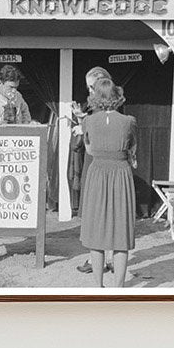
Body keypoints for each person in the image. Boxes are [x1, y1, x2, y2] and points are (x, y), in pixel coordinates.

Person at [79, 77, 137, 288]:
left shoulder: (88, 121)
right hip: (121, 174)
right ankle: (119, 287)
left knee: (96, 230)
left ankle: (98, 287)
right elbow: (131, 150)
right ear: (117, 96)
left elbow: (89, 149)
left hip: (97, 174)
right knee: (120, 230)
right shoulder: (129, 121)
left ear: (95, 97)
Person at [74, 67, 113, 274]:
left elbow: (92, 142)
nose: (89, 91)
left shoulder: (98, 111)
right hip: (112, 167)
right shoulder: (113, 108)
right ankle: (109, 258)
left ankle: (96, 260)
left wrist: (82, 126)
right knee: (109, 213)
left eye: (91, 87)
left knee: (96, 213)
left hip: (97, 163)